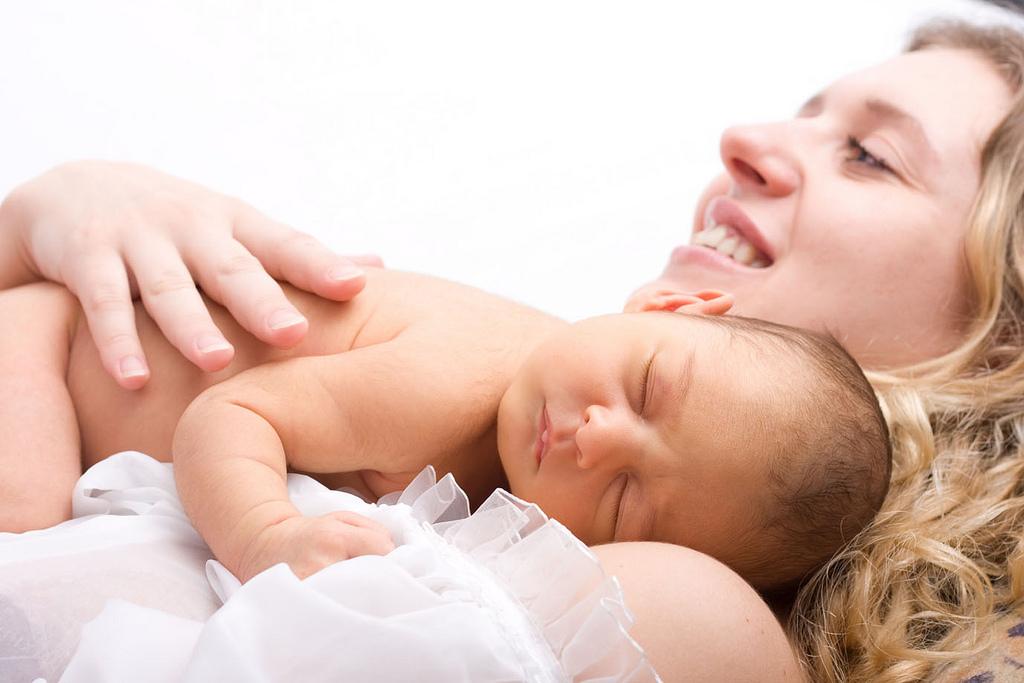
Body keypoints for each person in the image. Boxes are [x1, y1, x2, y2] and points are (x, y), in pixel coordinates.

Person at [2, 15, 1022, 681]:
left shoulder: (674, 606)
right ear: (683, 312)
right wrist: (54, 214)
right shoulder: (495, 387)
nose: (745, 141)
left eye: (868, 156)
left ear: (1002, 344)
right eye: (810, 113)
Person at [1, 267, 889, 597]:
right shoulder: (452, 383)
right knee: (26, 532)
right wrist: (267, 535)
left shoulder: (522, 440)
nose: (595, 438)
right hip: (47, 344)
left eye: (624, 500)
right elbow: (226, 414)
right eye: (646, 387)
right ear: (670, 304)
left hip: (88, 390)